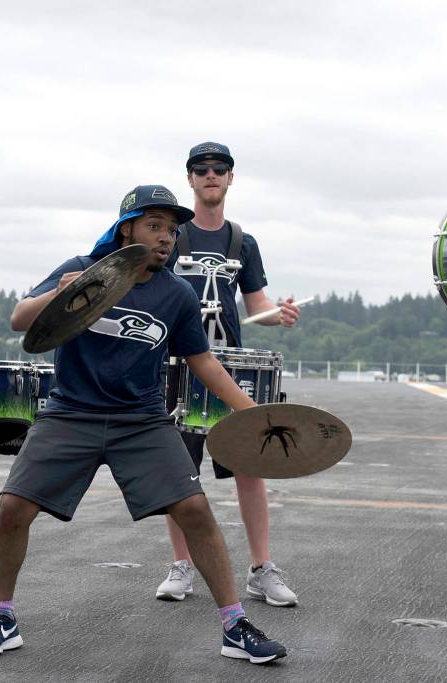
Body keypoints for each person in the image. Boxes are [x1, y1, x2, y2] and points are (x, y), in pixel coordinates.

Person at [0, 185, 287, 665]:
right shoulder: (83, 267)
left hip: (141, 420)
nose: (166, 238)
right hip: (70, 412)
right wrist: (62, 291)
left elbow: (203, 361)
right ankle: (1, 615)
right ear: (126, 228)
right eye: (154, 226)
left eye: (172, 230)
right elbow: (19, 320)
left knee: (195, 510)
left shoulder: (176, 294)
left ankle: (235, 624)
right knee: (12, 509)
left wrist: (252, 412)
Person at [155, 142, 302, 607]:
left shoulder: (243, 242)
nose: (211, 175)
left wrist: (278, 315)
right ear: (191, 179)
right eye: (202, 170)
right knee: (179, 472)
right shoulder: (173, 237)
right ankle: (181, 566)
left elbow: (255, 307)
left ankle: (262, 569)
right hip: (176, 367)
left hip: (229, 368)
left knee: (249, 469)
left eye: (219, 169)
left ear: (231, 179)